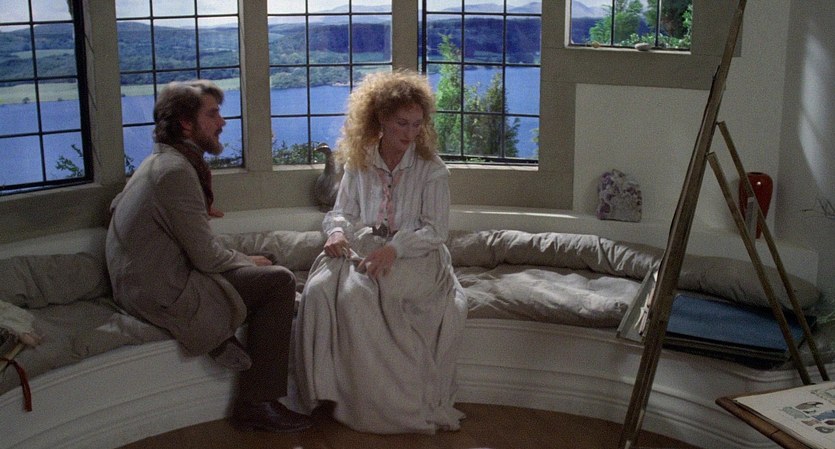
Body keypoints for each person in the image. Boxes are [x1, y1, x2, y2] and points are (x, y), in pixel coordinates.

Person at [105, 80, 310, 433]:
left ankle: (224, 334)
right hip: (160, 291)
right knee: (279, 281)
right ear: (186, 124)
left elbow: (116, 209)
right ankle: (258, 404)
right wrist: (247, 262)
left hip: (141, 281)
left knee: (263, 258)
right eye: (213, 114)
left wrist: (243, 255)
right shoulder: (175, 172)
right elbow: (207, 259)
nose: (222, 122)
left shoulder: (160, 161)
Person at [291, 70, 468, 434]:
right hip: (366, 245)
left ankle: (382, 406)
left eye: (417, 124)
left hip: (418, 255)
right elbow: (342, 212)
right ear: (381, 119)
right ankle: (328, 394)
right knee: (319, 290)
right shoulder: (360, 160)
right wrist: (336, 232)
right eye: (402, 123)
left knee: (359, 295)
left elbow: (436, 232)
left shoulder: (432, 170)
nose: (410, 133)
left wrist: (395, 248)